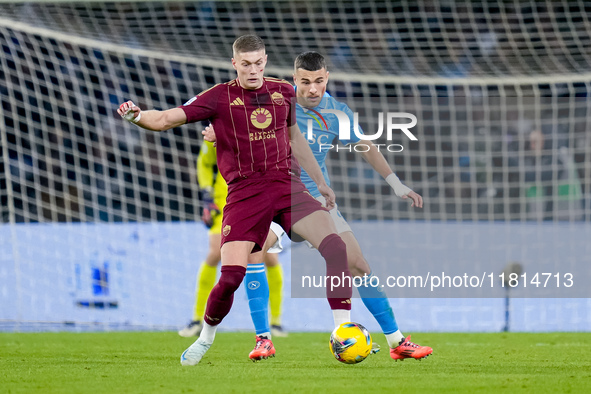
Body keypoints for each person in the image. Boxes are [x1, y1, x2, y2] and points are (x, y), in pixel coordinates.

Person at [118, 35, 353, 366]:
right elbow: (166, 119)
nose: (253, 70)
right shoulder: (217, 97)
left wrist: (319, 182)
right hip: (244, 194)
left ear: (266, 61)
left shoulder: (283, 92)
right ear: (235, 64)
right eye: (246, 64)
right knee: (230, 277)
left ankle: (342, 331)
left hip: (286, 186)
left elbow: (295, 138)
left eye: (258, 63)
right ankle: (205, 337)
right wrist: (137, 116)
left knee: (336, 248)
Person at [292, 51, 432, 361]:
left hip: (317, 199)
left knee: (358, 264)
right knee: (246, 258)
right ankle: (259, 337)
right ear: (294, 79)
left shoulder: (336, 111)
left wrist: (396, 184)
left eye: (318, 81)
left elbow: (364, 146)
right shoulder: (277, 102)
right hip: (276, 196)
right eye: (305, 82)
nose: (313, 89)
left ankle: (396, 342)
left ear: (326, 77)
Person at [178, 140, 288, 338]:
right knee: (214, 253)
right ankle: (197, 319)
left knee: (269, 258)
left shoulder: (260, 130)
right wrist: (206, 194)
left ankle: (276, 322)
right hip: (225, 203)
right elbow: (204, 162)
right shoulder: (219, 131)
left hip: (259, 199)